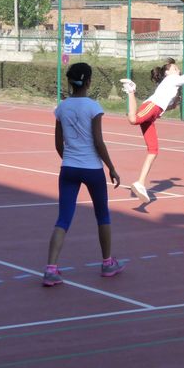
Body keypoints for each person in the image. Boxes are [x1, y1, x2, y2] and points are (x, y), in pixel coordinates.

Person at [43, 62, 123, 287]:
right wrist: (111, 167)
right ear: (88, 81)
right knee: (102, 215)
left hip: (68, 168)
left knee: (63, 218)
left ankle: (51, 268)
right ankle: (107, 263)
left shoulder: (62, 108)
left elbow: (58, 144)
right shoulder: (93, 107)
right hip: (92, 170)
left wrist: (69, 160)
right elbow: (98, 141)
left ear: (70, 82)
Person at [122, 58, 184, 203]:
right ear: (167, 72)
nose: (178, 70)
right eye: (175, 68)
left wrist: (175, 103)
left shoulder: (171, 85)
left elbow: (168, 107)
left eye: (178, 69)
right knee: (133, 119)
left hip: (154, 113)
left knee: (153, 151)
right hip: (151, 106)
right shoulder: (173, 79)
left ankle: (140, 183)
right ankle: (131, 89)